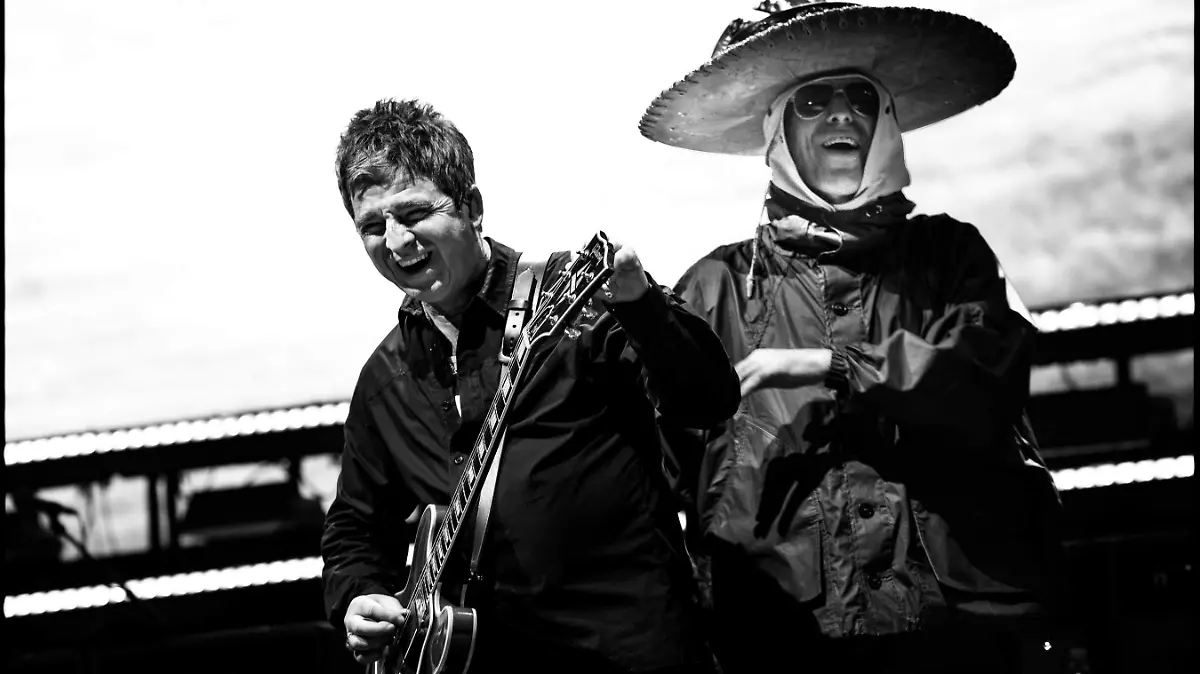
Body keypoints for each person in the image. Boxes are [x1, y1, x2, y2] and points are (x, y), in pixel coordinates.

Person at [639, 2, 1064, 673]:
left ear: (884, 122)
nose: (842, 115)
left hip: (956, 635)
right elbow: (657, 481)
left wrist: (829, 363)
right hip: (786, 644)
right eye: (814, 101)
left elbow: (980, 381)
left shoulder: (952, 259)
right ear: (777, 130)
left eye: (859, 97)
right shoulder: (710, 290)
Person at [321, 98, 739, 674]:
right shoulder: (385, 377)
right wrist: (358, 595)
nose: (395, 242)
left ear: (472, 207)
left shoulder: (577, 300)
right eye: (372, 225)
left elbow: (708, 400)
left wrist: (642, 307)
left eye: (413, 213)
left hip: (632, 655)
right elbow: (355, 527)